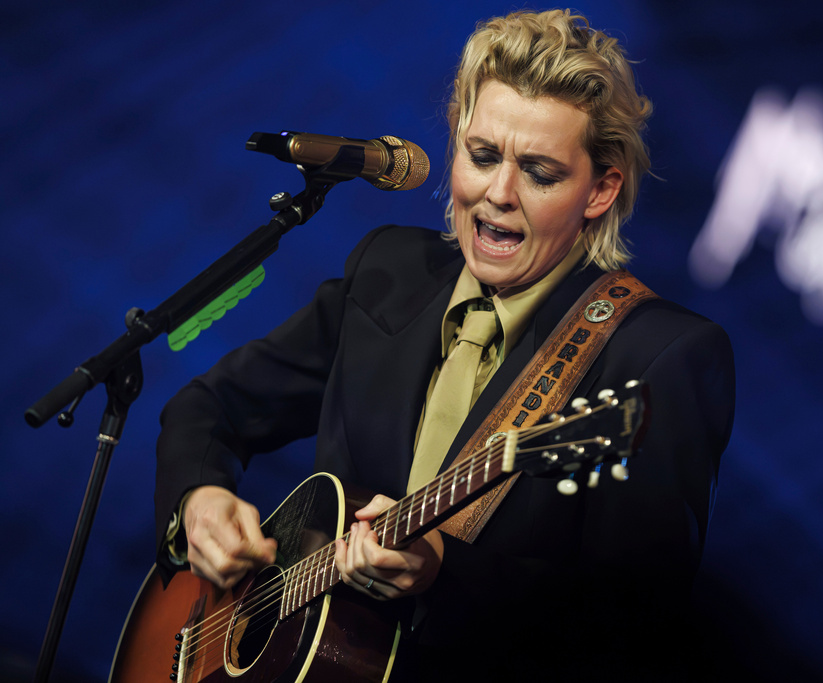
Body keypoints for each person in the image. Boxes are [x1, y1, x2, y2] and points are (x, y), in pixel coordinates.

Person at [154, 9, 734, 681]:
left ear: (600, 189)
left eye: (540, 172)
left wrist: (443, 572)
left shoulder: (661, 354)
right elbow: (209, 407)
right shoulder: (387, 270)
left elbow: (634, 633)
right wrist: (198, 501)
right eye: (482, 155)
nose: (498, 192)